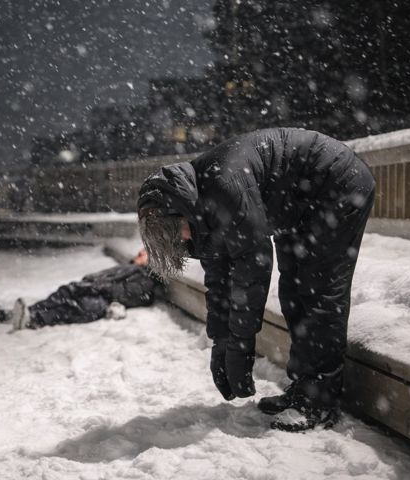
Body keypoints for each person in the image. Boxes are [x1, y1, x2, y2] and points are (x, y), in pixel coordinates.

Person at [137, 128, 375, 432]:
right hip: (299, 205)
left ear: (180, 212)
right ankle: (305, 390)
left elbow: (253, 266)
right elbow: (219, 278)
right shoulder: (197, 203)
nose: (181, 240)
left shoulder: (223, 186)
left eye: (177, 232)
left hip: (338, 185)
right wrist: (221, 342)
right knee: (293, 291)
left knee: (319, 291)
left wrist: (240, 345)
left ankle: (321, 403)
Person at [0, 249, 160, 330]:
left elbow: (127, 294)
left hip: (102, 300)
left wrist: (98, 288)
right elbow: (101, 277)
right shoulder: (128, 267)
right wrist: (90, 283)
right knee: (65, 291)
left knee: (77, 306)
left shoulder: (145, 278)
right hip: (94, 289)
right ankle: (22, 313)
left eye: (143, 254)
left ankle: (33, 318)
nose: (138, 254)